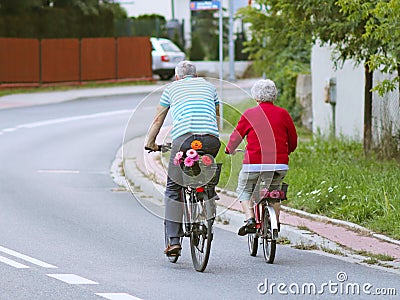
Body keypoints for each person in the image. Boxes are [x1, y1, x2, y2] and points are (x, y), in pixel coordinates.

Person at [145, 61, 221, 255]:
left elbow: (157, 120)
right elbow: (217, 118)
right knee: (205, 170)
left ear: (177, 77)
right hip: (212, 140)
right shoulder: (210, 87)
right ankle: (208, 196)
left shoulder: (171, 88)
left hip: (184, 141)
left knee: (173, 188)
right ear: (195, 76)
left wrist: (150, 142)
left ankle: (174, 240)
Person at [225, 79, 297, 236]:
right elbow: (293, 141)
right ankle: (275, 225)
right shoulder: (283, 114)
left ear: (255, 96)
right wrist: (287, 151)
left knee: (244, 189)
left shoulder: (249, 114)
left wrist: (229, 149)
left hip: (254, 164)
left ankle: (250, 219)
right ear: (274, 96)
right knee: (275, 192)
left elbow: (236, 137)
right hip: (279, 165)